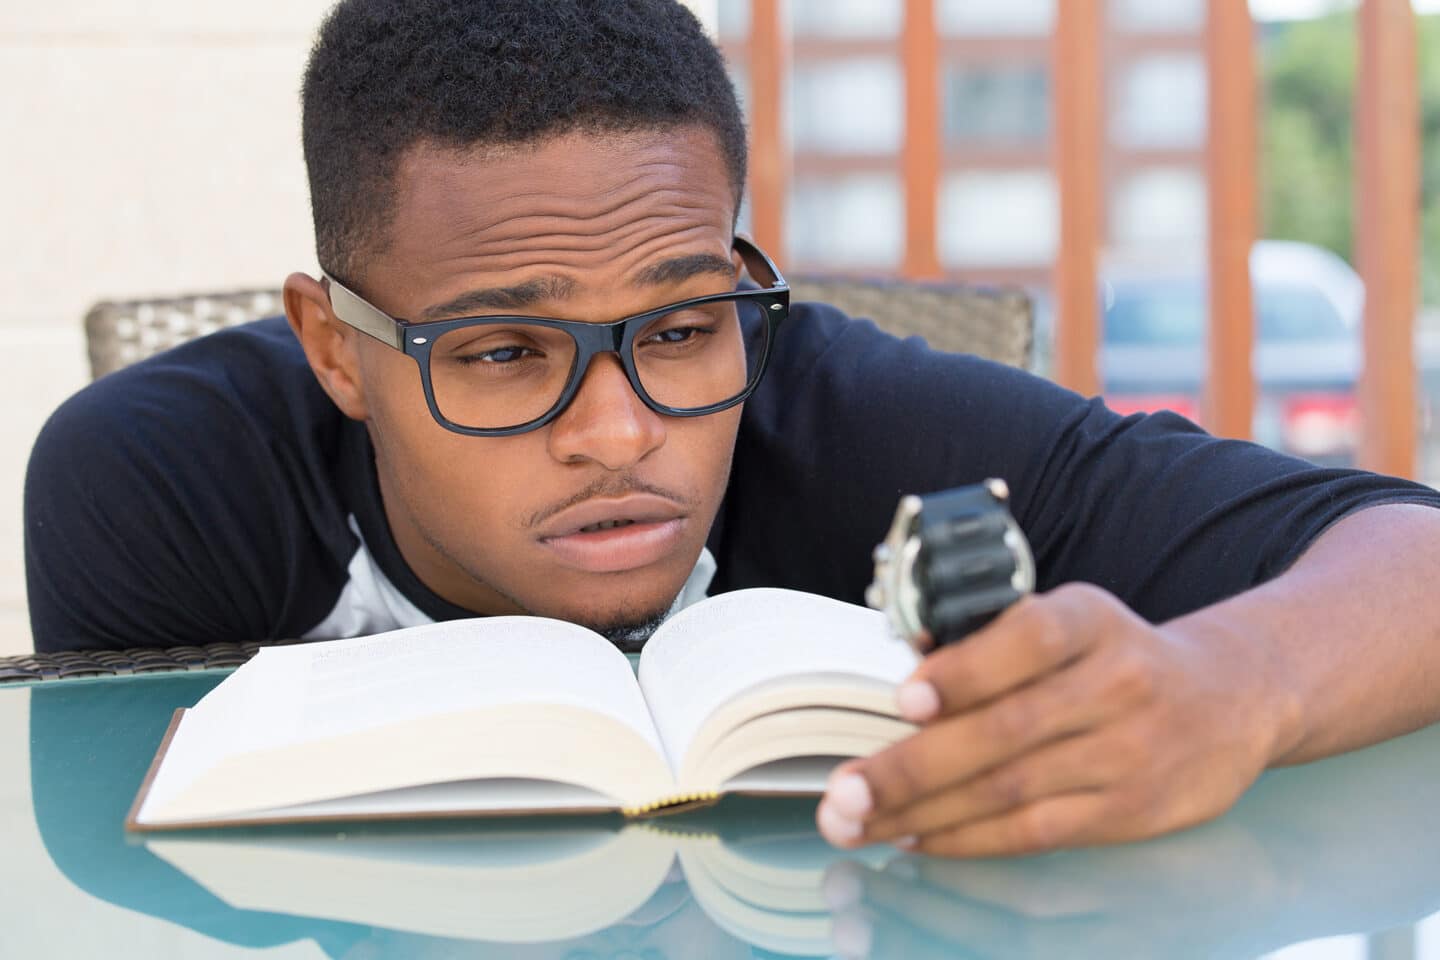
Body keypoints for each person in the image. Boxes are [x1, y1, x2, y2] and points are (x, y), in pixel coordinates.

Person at [23, 0, 1440, 859]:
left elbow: (1411, 556)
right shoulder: (163, 485)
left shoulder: (856, 423)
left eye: (685, 323)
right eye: (509, 352)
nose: (624, 431)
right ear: (340, 346)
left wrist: (1238, 682)